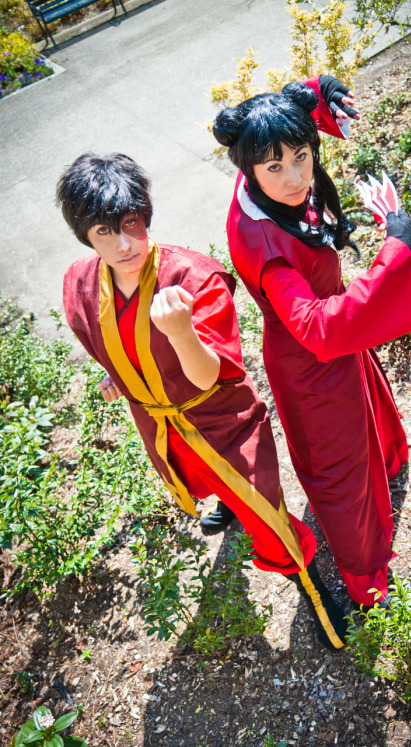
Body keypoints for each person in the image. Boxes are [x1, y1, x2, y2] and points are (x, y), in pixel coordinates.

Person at [57, 152, 349, 649]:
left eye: (131, 223)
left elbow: (209, 374)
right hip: (159, 425)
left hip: (221, 423)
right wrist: (115, 371)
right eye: (104, 232)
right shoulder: (80, 283)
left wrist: (179, 332)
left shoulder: (193, 279)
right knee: (201, 482)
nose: (123, 243)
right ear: (84, 233)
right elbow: (99, 338)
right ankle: (229, 508)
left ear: (146, 214)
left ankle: (311, 586)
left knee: (268, 514)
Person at [213, 77, 411, 609]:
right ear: (249, 167)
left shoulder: (259, 176)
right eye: (276, 167)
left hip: (325, 334)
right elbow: (319, 328)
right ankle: (365, 577)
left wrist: (313, 92)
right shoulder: (264, 244)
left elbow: (278, 127)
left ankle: (386, 463)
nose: (295, 178)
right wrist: (396, 251)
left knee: (365, 420)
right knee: (338, 472)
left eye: (302, 157)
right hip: (308, 360)